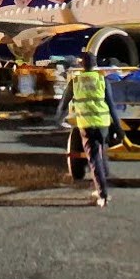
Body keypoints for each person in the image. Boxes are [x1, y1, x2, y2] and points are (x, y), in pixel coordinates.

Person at [53, 52, 123, 207]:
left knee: (94, 159)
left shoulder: (76, 81)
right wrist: (119, 128)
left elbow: (64, 105)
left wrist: (58, 120)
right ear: (95, 64)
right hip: (103, 125)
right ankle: (101, 183)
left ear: (82, 64)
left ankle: (102, 194)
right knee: (99, 153)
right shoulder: (102, 80)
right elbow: (111, 106)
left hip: (87, 125)